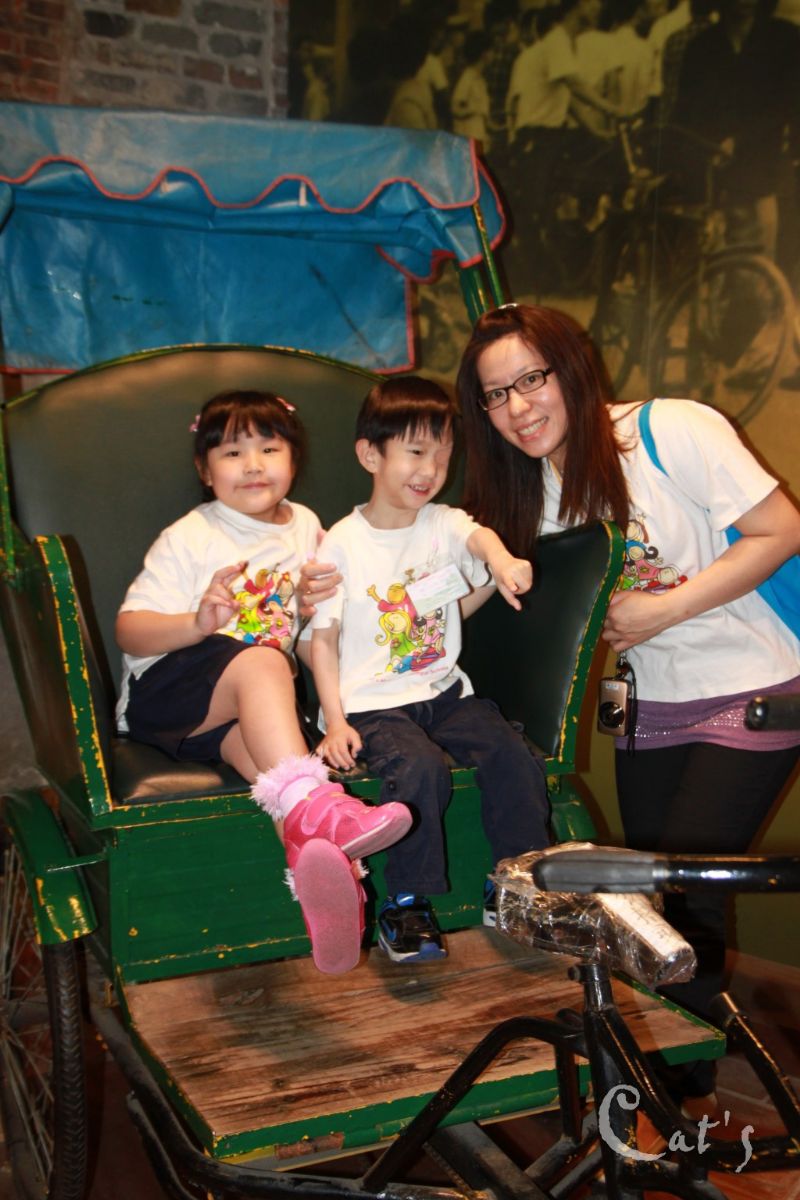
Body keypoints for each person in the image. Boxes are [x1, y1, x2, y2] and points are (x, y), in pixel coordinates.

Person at [455, 302, 800, 1099]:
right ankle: (670, 1083)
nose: (517, 408)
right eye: (495, 395)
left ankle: (684, 1092)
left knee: (683, 897)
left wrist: (663, 610)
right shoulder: (528, 490)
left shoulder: (669, 430)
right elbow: (471, 591)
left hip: (755, 685)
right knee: (646, 901)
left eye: (531, 380)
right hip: (653, 705)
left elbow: (781, 530)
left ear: (571, 370)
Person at [115, 390, 411, 977]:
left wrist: (318, 624)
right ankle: (321, 809)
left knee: (275, 774)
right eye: (232, 453)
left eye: (269, 449)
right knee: (262, 664)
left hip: (234, 717)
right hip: (167, 698)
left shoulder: (307, 528)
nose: (253, 465)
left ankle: (323, 879)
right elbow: (129, 630)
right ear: (205, 471)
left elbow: (305, 637)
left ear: (293, 459)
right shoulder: (191, 535)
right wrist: (198, 623)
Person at [308, 377, 551, 965]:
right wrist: (334, 721)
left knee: (510, 752)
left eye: (443, 455)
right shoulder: (342, 544)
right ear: (370, 455)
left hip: (443, 692)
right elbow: (323, 640)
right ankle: (405, 903)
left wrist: (502, 564)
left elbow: (476, 546)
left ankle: (516, 883)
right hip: (371, 703)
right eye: (416, 452)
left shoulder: (443, 522)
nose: (431, 469)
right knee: (419, 768)